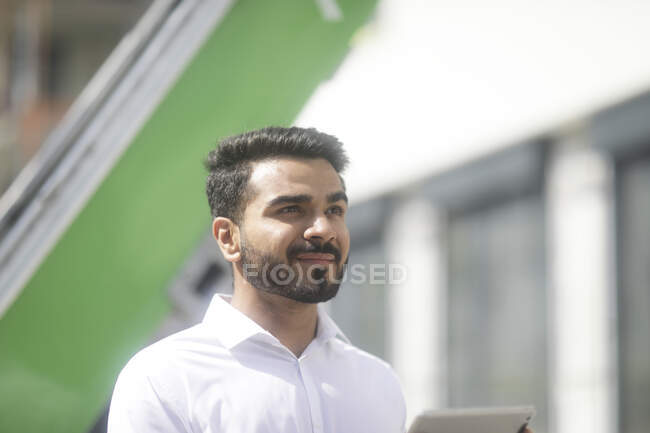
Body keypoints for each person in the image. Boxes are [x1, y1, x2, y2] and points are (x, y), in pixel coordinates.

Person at [107, 126, 407, 432]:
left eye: (334, 210)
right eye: (291, 209)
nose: (323, 229)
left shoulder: (378, 382)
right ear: (228, 237)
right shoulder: (163, 380)